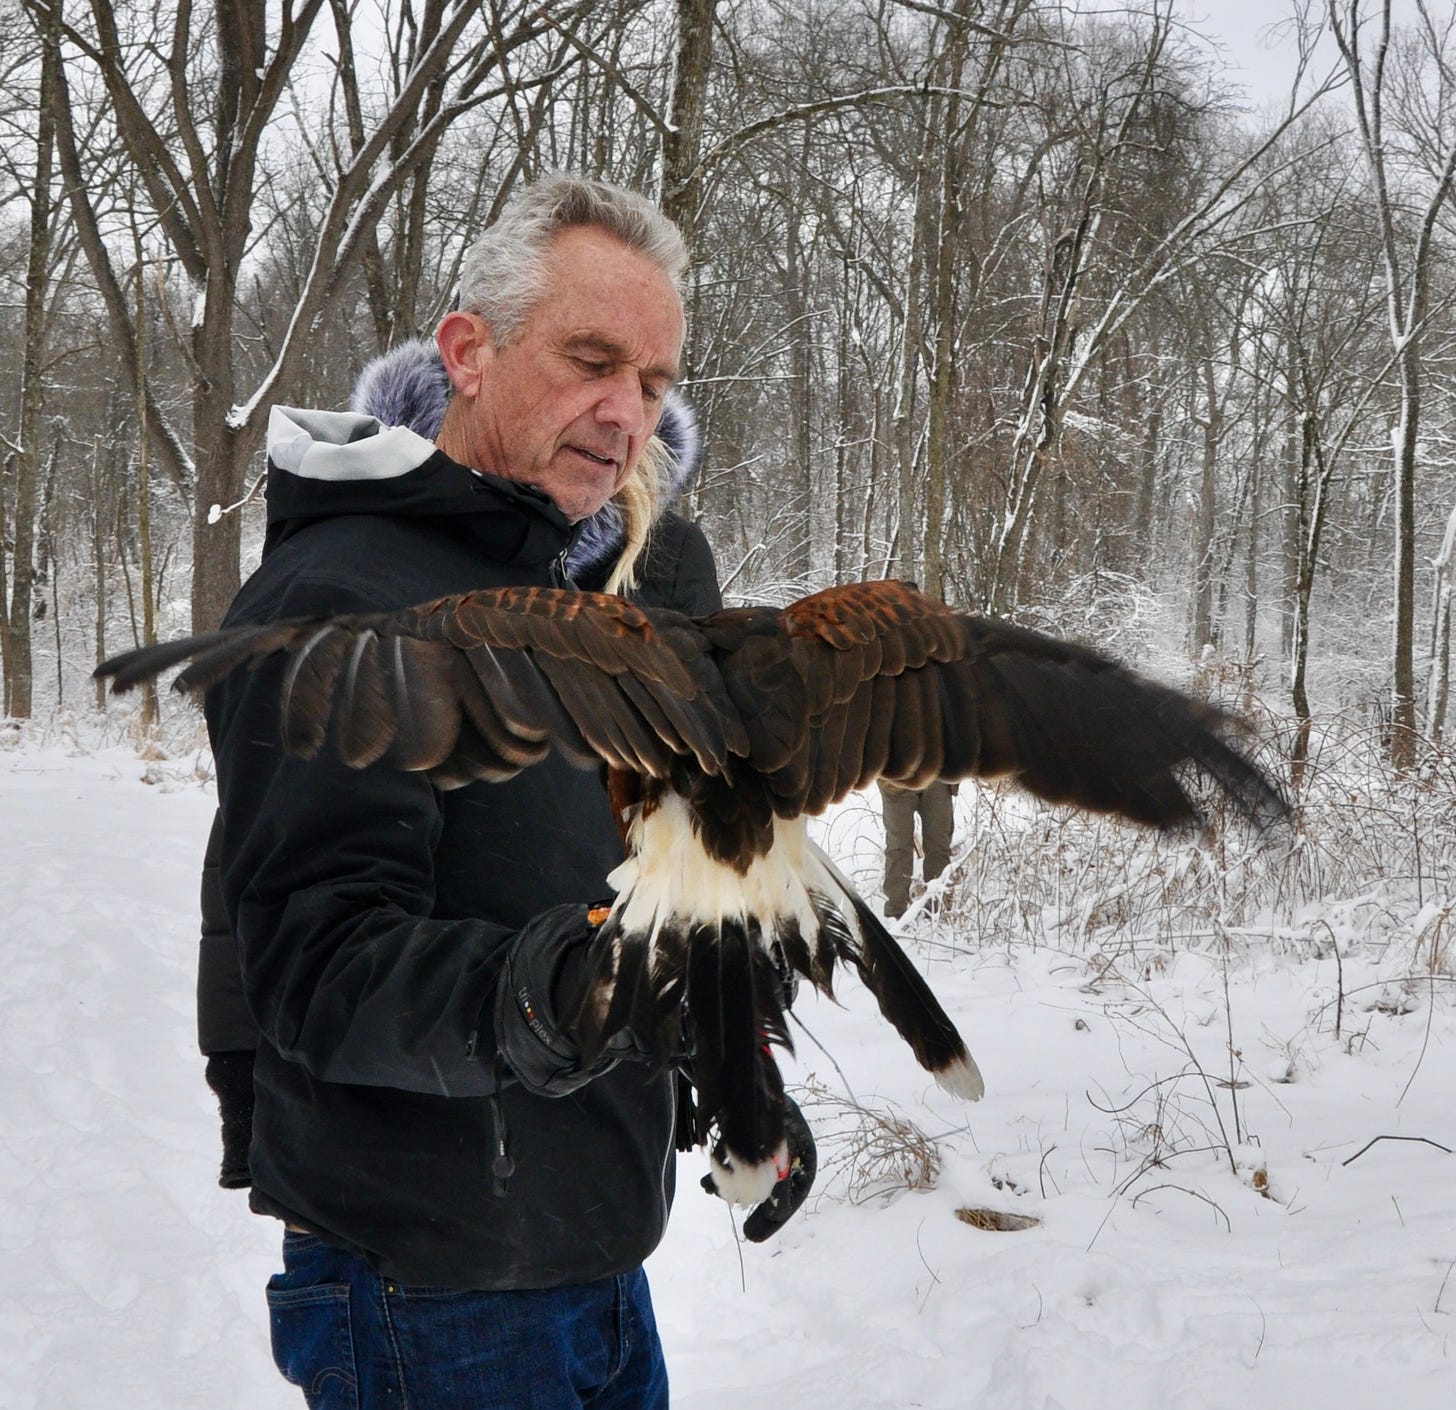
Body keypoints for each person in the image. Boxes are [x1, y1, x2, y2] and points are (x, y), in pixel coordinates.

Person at [200, 175, 809, 1410]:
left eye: (651, 381)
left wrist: (732, 1065)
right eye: (591, 360)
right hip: (429, 1292)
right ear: (468, 353)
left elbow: (637, 886)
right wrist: (566, 991)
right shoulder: (345, 602)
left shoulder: (618, 598)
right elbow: (315, 967)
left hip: (595, 1250)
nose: (624, 413)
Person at [877, 779, 957, 919]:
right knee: (898, 848)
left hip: (938, 774)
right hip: (897, 776)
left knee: (939, 847)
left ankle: (938, 911)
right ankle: (896, 915)